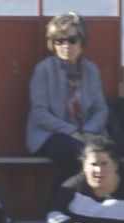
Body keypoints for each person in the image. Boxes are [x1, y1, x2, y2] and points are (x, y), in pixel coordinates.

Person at [27, 12, 109, 171]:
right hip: (50, 135)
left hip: (86, 133)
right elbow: (39, 113)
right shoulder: (43, 70)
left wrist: (88, 130)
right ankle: (64, 196)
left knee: (108, 152)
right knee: (75, 152)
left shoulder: (91, 70)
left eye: (72, 40)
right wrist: (71, 131)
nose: (66, 46)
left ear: (81, 42)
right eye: (59, 41)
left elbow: (101, 109)